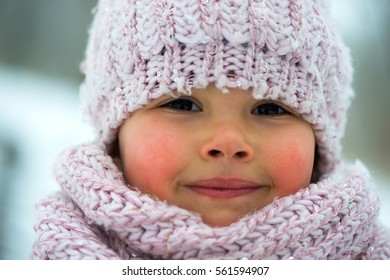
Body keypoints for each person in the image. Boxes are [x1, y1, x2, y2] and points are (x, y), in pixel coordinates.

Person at [31, 0, 390, 259]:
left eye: (269, 108)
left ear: (319, 140)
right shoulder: (63, 255)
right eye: (183, 104)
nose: (228, 143)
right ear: (115, 136)